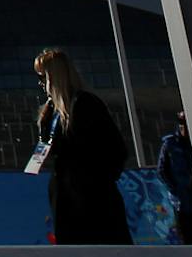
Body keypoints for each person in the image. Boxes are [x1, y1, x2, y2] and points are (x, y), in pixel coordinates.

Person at [33, 49, 130, 245]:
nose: (42, 85)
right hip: (65, 198)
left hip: (92, 198)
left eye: (44, 78)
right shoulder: (50, 112)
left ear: (55, 77)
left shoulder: (84, 104)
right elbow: (46, 148)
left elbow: (116, 149)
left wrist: (94, 179)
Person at [155, 111, 192, 245]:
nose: (186, 128)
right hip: (183, 200)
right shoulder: (170, 144)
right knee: (189, 236)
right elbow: (162, 170)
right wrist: (175, 188)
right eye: (183, 125)